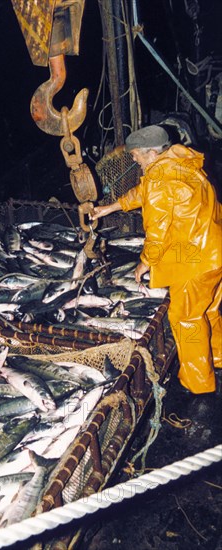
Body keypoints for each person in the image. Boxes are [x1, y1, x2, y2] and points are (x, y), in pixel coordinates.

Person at [90, 125, 222, 397]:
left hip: (193, 261)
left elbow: (157, 230)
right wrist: (110, 207)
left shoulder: (160, 180)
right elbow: (143, 193)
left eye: (137, 155)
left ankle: (198, 384)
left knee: (186, 319)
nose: (135, 160)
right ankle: (218, 357)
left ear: (151, 152)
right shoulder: (179, 163)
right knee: (207, 310)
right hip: (215, 251)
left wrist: (145, 262)